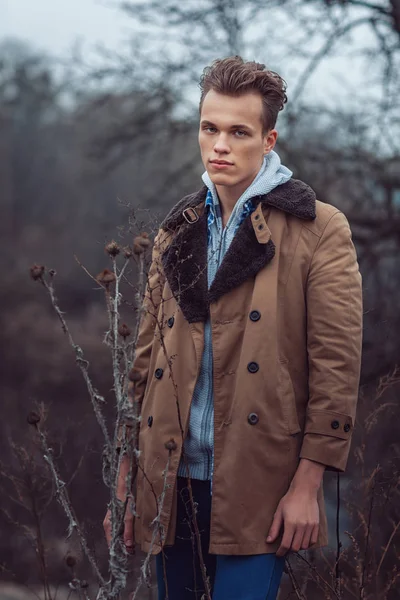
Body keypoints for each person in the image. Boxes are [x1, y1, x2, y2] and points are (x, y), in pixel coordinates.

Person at [104, 56, 363, 599]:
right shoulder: (177, 230)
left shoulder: (318, 229)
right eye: (210, 128)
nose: (220, 144)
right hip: (169, 482)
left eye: (239, 132)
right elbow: (146, 365)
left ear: (269, 139)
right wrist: (126, 476)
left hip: (261, 485)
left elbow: (336, 368)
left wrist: (308, 483)